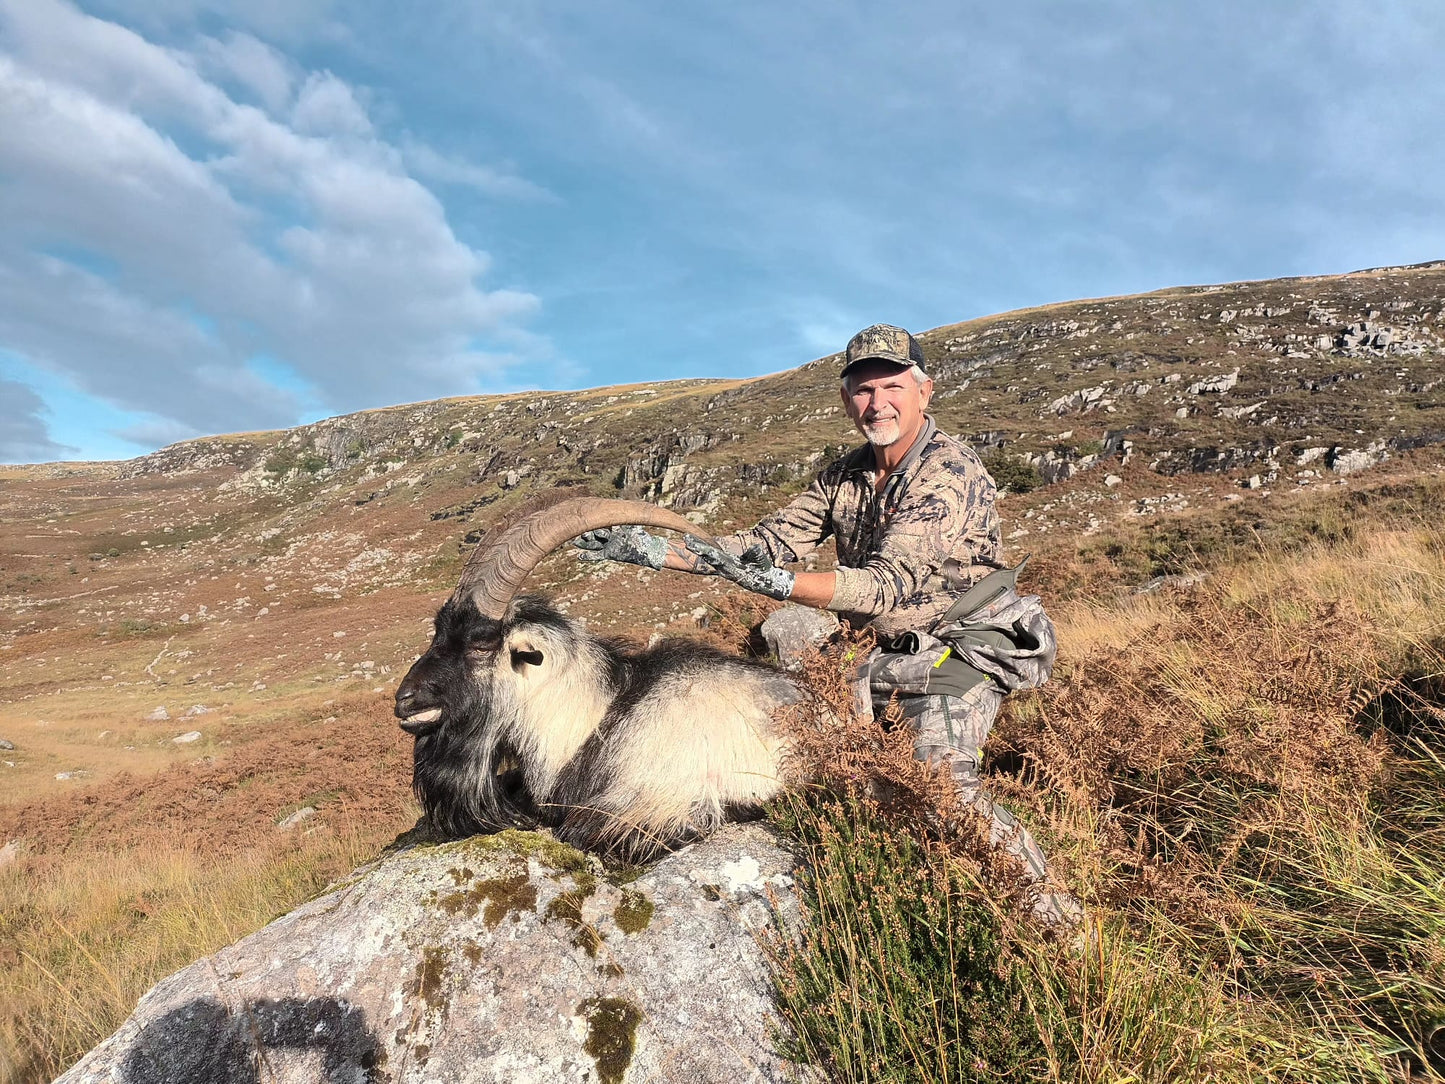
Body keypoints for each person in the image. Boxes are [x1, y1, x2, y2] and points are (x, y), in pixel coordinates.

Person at [576, 324, 1074, 921]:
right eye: (863, 390)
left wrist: (779, 583)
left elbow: (883, 586)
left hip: (959, 649)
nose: (877, 403)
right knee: (817, 761)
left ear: (924, 391)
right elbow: (762, 544)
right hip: (880, 650)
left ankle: (1056, 923)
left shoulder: (949, 472)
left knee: (940, 784)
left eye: (892, 386)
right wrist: (651, 550)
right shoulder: (844, 475)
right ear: (845, 399)